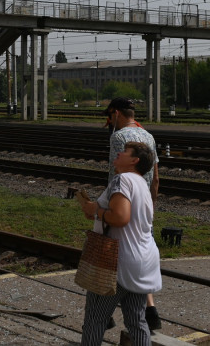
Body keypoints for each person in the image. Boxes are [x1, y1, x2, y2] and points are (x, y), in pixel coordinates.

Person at [79, 142, 161, 346]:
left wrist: (97, 212)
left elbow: (120, 217)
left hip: (118, 260)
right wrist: (96, 211)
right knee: (137, 321)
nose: (118, 153)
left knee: (95, 319)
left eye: (124, 152)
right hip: (144, 259)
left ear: (134, 160)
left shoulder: (122, 180)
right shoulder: (142, 183)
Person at [102, 97, 162, 330]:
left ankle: (104, 312)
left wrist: (107, 206)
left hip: (122, 202)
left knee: (108, 253)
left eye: (110, 117)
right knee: (141, 252)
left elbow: (115, 173)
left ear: (116, 113)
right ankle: (151, 310)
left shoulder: (118, 138)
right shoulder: (149, 136)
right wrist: (151, 205)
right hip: (144, 203)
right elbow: (155, 178)